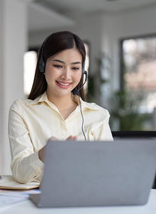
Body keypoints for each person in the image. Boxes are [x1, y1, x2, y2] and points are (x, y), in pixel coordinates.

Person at [8, 31, 113, 183]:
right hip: (38, 201)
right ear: (42, 65)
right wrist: (45, 154)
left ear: (82, 71)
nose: (66, 76)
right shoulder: (21, 110)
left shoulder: (98, 114)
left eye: (75, 68)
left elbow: (109, 171)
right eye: (58, 66)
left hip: (87, 199)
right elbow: (19, 173)